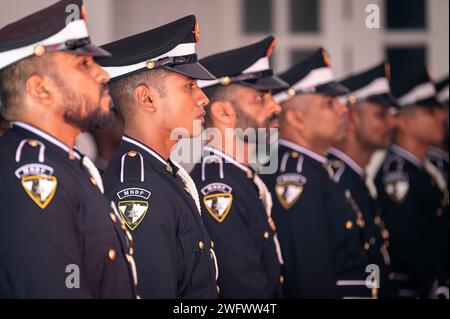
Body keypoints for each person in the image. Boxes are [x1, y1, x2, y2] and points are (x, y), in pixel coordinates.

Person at [0, 0, 137, 298]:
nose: (103, 75)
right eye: (83, 64)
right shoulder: (32, 175)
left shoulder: (66, 163)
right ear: (41, 89)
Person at [98, 16, 219, 299]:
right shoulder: (138, 190)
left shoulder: (163, 173)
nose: (204, 98)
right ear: (147, 99)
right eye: (189, 86)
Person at [263, 48, 377, 298]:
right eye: (329, 103)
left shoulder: (319, 169)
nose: (342, 110)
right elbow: (309, 278)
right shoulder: (295, 178)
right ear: (296, 119)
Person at [190, 36, 287, 299]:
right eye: (260, 98)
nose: (276, 106)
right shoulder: (217, 187)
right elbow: (244, 292)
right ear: (223, 113)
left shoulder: (240, 176)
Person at [374, 68, 449, 299]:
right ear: (404, 122)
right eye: (429, 111)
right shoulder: (398, 175)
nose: (441, 117)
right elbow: (407, 246)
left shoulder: (423, 169)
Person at [327, 62, 398, 297]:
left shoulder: (357, 177)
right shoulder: (335, 180)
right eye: (381, 115)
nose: (393, 122)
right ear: (351, 118)